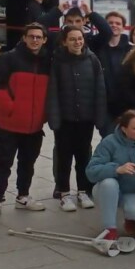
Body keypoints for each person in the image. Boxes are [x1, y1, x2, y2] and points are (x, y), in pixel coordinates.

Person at [0, 23, 53, 219]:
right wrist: (10, 109)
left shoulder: (48, 62)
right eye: (31, 36)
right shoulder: (9, 59)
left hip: (34, 126)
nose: (35, 40)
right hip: (10, 125)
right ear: (24, 38)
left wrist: (44, 115)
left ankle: (23, 196)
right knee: (3, 163)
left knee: (28, 163)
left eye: (39, 37)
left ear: (44, 40)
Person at [46, 26, 106, 211]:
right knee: (64, 156)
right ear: (64, 41)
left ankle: (83, 190)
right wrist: (54, 118)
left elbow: (100, 89)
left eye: (80, 38)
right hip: (65, 119)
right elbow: (53, 91)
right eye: (72, 39)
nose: (77, 42)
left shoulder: (92, 59)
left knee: (83, 156)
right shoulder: (57, 61)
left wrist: (99, 116)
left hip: (85, 118)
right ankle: (64, 193)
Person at [86, 109, 135, 245]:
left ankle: (130, 219)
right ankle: (109, 229)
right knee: (109, 183)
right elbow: (91, 171)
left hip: (134, 193)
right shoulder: (109, 142)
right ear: (124, 129)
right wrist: (116, 169)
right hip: (107, 190)